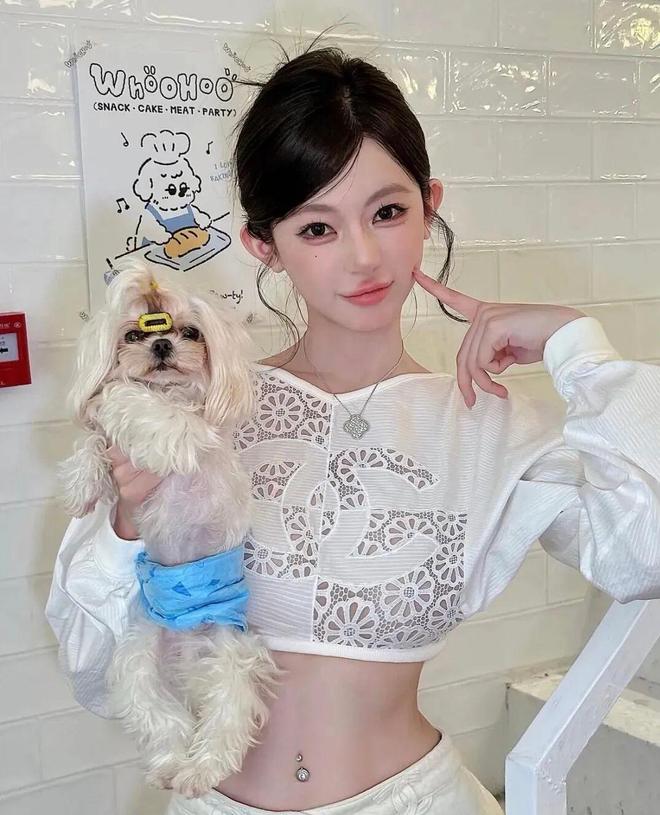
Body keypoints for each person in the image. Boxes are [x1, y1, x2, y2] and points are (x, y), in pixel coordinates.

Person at [45, 33, 660, 815]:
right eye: (318, 227)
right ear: (263, 244)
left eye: (388, 211)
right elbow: (96, 673)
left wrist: (578, 347)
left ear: (430, 207)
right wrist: (129, 520)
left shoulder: (491, 426)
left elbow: (647, 554)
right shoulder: (198, 412)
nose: (364, 257)